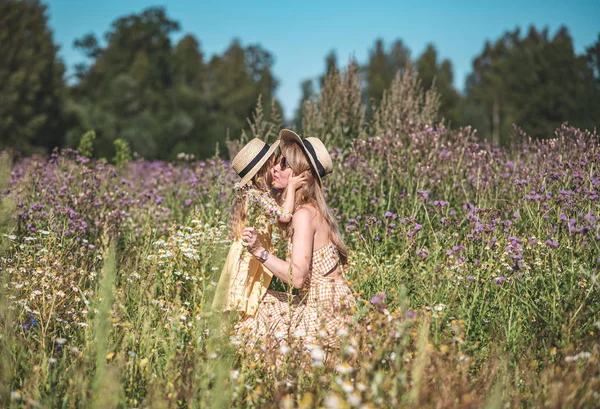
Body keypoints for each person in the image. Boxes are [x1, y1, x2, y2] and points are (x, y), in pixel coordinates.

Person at [238, 129, 356, 350]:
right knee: (255, 301)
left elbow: (298, 277)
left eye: (284, 164)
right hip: (325, 304)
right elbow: (279, 213)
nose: (275, 168)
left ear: (304, 174)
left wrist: (259, 251)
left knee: (252, 320)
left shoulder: (304, 215)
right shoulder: (305, 210)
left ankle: (273, 378)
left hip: (327, 312)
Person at [212, 138, 307, 316]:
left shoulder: (255, 194)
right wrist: (292, 187)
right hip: (248, 256)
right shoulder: (257, 196)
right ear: (263, 171)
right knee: (241, 293)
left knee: (243, 292)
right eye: (273, 166)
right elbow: (285, 216)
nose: (277, 169)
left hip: (246, 252)